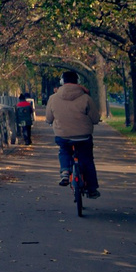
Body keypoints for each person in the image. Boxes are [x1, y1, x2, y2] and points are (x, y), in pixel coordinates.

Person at [46, 69, 99, 197]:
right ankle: (91, 189)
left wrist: (50, 121)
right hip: (83, 136)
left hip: (63, 135)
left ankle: (65, 171)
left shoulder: (53, 98)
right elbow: (95, 118)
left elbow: (49, 118)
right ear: (77, 82)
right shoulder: (86, 97)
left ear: (62, 82)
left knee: (64, 150)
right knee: (87, 159)